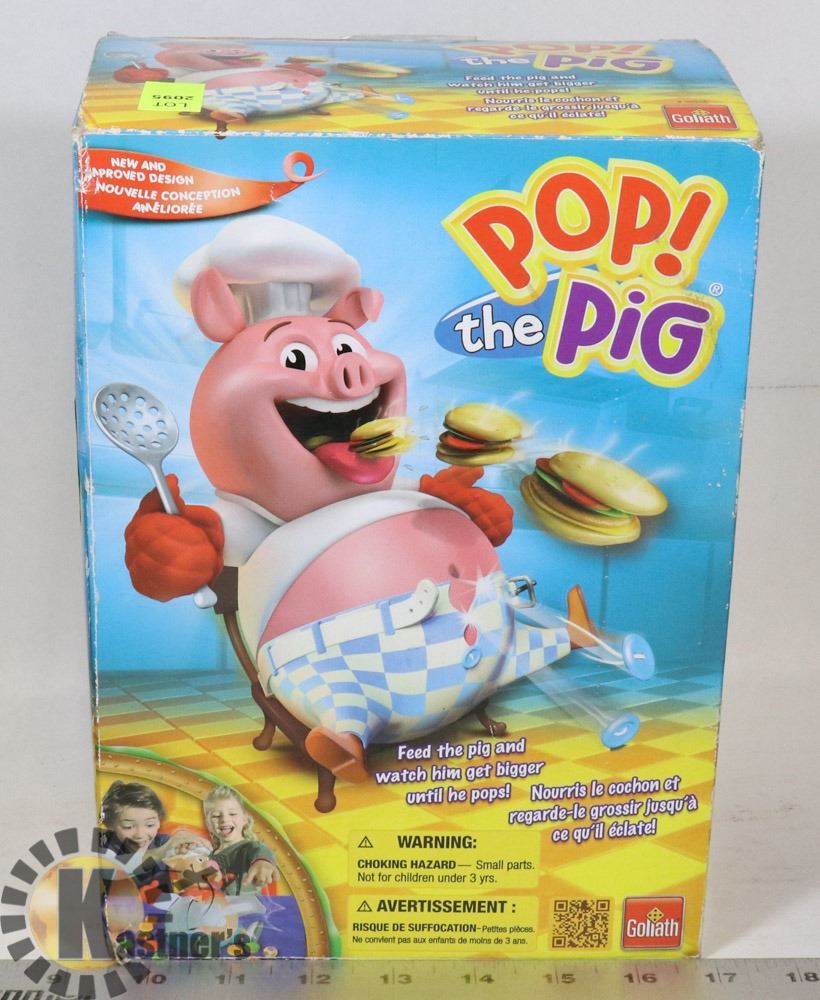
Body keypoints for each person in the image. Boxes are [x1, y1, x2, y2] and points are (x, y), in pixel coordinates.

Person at [203, 786, 276, 895]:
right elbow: (196, 882)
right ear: (208, 824)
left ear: (244, 819)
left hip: (246, 905)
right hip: (219, 904)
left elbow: (260, 850)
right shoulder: (211, 856)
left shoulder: (248, 848)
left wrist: (263, 862)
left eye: (232, 814)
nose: (224, 819)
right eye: (216, 816)